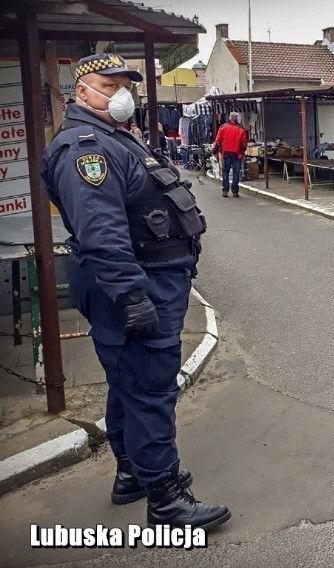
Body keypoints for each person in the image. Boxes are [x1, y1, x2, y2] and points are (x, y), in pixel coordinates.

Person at [40, 53, 230, 531]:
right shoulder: (87, 149)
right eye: (110, 83)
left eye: (127, 83)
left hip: (148, 280)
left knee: (130, 384)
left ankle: (131, 474)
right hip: (131, 283)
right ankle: (166, 500)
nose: (122, 92)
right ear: (82, 92)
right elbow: (101, 234)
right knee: (149, 389)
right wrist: (132, 295)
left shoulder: (116, 137)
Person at [214, 111, 248, 197]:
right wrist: (243, 151)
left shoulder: (223, 127)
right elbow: (244, 143)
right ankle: (235, 191)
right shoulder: (241, 129)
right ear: (237, 119)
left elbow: (218, 140)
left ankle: (225, 190)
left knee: (225, 171)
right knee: (236, 172)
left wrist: (215, 150)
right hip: (237, 154)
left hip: (226, 153)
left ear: (229, 118)